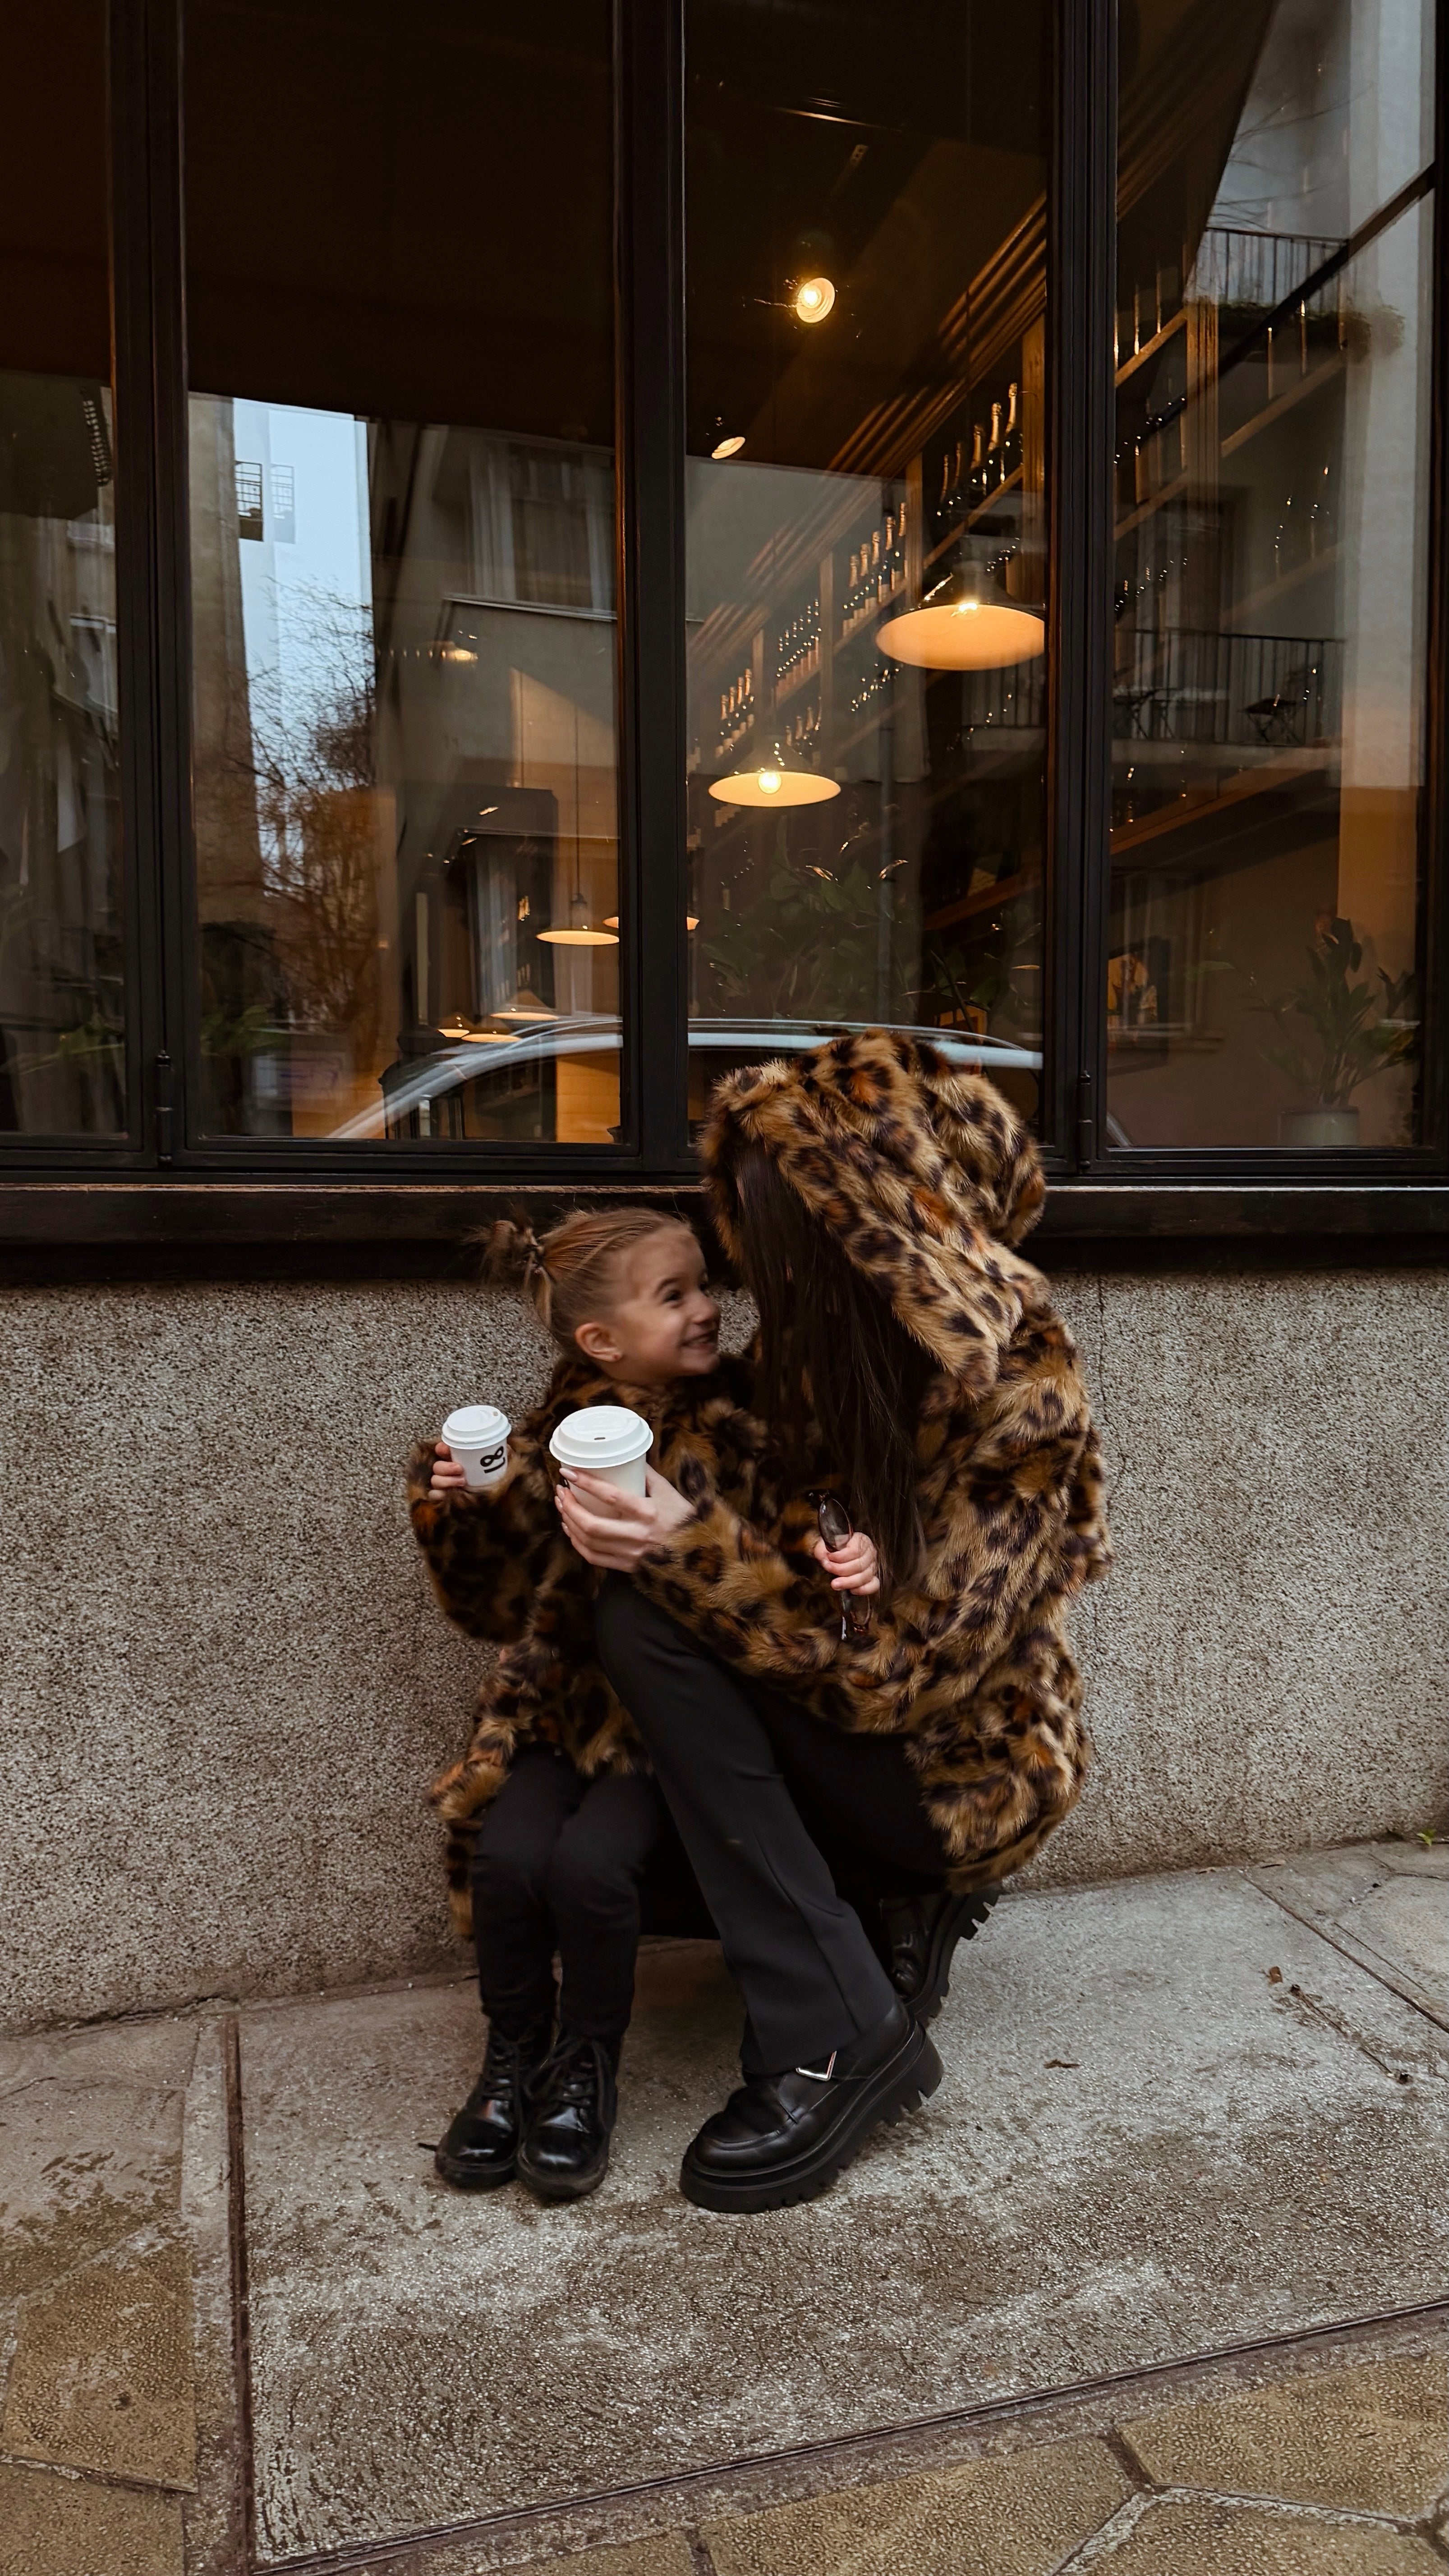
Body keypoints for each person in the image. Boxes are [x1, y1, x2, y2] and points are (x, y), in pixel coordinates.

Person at [557, 1033, 1113, 2215]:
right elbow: (768, 1564)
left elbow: (893, 1681)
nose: (756, 1268)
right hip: (833, 1725)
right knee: (613, 1783)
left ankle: (832, 2030)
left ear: (883, 1231)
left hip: (947, 1771)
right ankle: (864, 1940)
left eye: (792, 1232)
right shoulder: (809, 1356)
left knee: (649, 1619)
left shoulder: (1017, 1395)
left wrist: (682, 1550)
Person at [407, 1205, 878, 2202]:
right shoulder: (545, 1446)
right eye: (674, 1296)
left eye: (704, 1285)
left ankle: (586, 2068)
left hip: (672, 1731)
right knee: (506, 1858)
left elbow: (800, 1568)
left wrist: (849, 1555)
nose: (707, 1308)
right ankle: (512, 2060)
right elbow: (491, 1609)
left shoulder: (748, 1429)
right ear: (601, 1340)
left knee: (591, 1866)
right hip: (558, 1713)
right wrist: (465, 1511)